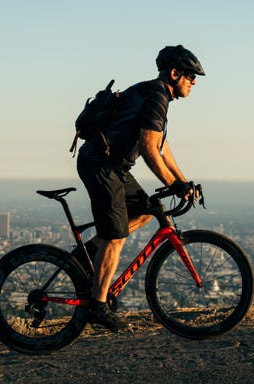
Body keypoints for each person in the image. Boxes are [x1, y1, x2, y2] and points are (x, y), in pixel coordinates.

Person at [75, 44, 205, 332]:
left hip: (114, 166)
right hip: (100, 164)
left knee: (146, 211)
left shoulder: (156, 94)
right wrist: (173, 184)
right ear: (174, 73)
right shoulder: (157, 95)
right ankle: (97, 306)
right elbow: (148, 149)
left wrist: (181, 181)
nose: (194, 82)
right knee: (116, 234)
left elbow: (161, 145)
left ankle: (87, 254)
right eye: (191, 76)